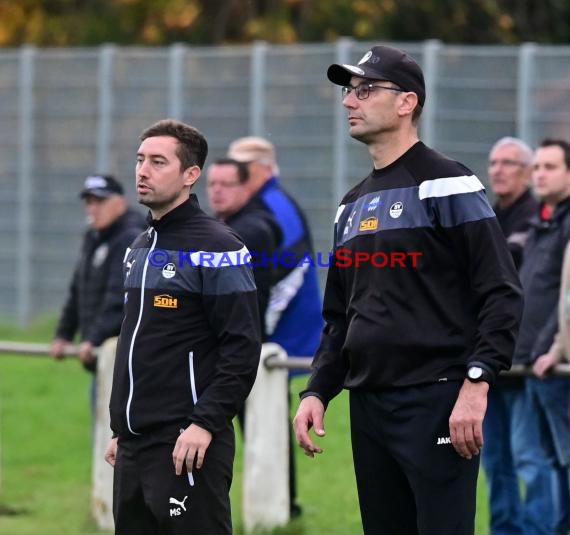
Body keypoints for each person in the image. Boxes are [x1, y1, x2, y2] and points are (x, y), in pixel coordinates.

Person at [293, 44, 523, 535]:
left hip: (437, 401)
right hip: (369, 404)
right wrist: (318, 389)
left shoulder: (449, 184)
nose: (349, 101)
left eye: (365, 90)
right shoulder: (350, 205)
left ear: (406, 102)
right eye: (348, 92)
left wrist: (476, 385)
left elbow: (501, 292)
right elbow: (341, 316)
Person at [104, 119, 261, 534]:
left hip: (186, 443)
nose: (142, 171)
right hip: (134, 448)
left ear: (191, 175)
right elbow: (140, 344)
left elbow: (242, 349)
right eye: (140, 160)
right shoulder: (138, 248)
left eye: (158, 162)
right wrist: (123, 427)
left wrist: (204, 423)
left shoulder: (219, 247)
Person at [227, 135, 323, 517]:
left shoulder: (273, 206)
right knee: (259, 421)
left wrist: (257, 335)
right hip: (269, 331)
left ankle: (282, 506)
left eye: (242, 170)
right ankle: (279, 504)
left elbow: (285, 275)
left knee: (267, 421)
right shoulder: (262, 204)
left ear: (264, 169)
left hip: (277, 334)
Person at [511, 138, 570, 535]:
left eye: (550, 166)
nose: (540, 174)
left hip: (554, 364)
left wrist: (553, 347)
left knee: (559, 460)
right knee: (538, 459)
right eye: (537, 167)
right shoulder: (542, 223)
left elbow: (563, 300)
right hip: (532, 362)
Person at [50, 174, 146, 409]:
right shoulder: (94, 236)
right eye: (89, 202)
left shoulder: (130, 237)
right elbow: (78, 288)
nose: (92, 209)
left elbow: (120, 298)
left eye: (99, 202)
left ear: (120, 202)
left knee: (119, 434)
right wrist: (64, 333)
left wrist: (94, 338)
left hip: (127, 362)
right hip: (103, 358)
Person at [482, 137, 537, 535]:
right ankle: (506, 529)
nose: (499, 169)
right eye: (494, 162)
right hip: (489, 357)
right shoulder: (489, 216)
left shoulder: (537, 217)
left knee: (530, 457)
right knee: (495, 458)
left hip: (526, 358)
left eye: (509, 163)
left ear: (529, 172)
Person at [206, 157, 282, 337]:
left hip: (240, 337)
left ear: (245, 187)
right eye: (212, 184)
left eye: (226, 184)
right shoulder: (220, 223)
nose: (217, 190)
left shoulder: (252, 229)